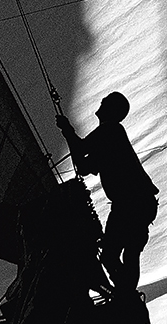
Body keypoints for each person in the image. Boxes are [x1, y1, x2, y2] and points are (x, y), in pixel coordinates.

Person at [56, 92, 159, 292]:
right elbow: (84, 166)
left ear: (111, 109)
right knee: (125, 253)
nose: (101, 103)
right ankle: (125, 291)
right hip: (140, 203)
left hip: (131, 204)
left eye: (105, 102)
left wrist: (68, 130)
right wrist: (67, 133)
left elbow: (82, 150)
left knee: (113, 255)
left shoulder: (110, 129)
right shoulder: (110, 138)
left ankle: (125, 291)